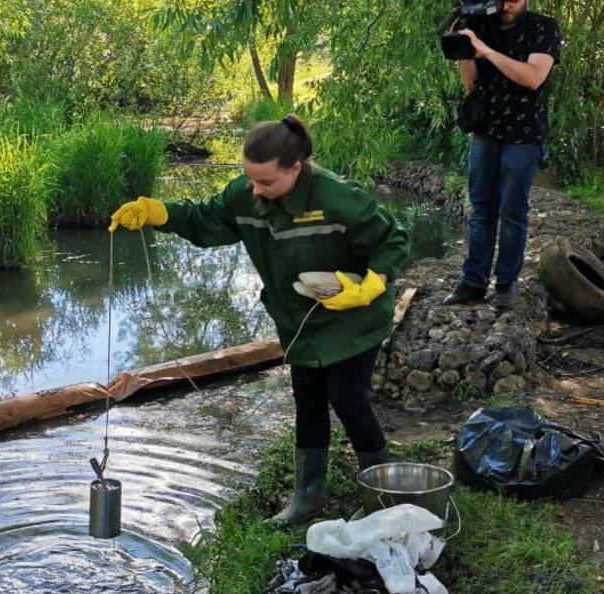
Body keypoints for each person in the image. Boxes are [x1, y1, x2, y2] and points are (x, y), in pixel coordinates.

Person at [108, 115, 410, 525]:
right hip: (299, 318)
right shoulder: (245, 196)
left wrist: (374, 284)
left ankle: (382, 496)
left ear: (296, 169)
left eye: (266, 181)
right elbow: (203, 219)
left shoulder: (337, 198)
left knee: (348, 399)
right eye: (250, 178)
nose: (256, 189)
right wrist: (158, 212)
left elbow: (392, 238)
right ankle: (307, 497)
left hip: (353, 316)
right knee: (308, 401)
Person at [442, 0, 561, 309]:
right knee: (481, 210)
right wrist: (465, 50)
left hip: (523, 137)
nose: (508, 3)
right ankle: (473, 282)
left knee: (512, 212)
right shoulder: (483, 26)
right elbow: (472, 85)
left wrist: (487, 51)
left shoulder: (543, 27)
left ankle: (507, 284)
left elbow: (534, 77)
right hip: (485, 132)